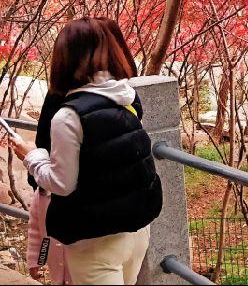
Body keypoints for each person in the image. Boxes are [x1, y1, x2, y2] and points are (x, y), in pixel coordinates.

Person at [12, 18, 163, 285]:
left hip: (95, 242)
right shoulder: (125, 97)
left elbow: (62, 184)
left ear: (64, 57)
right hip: (135, 231)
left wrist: (31, 156)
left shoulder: (68, 116)